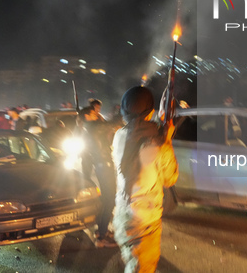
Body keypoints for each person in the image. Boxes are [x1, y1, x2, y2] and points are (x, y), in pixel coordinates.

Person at [112, 86, 179, 273]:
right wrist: (167, 139)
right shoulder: (157, 142)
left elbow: (139, 132)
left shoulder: (119, 135)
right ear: (151, 112)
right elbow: (170, 178)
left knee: (133, 266)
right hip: (144, 221)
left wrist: (161, 131)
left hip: (123, 215)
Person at [76, 106, 117, 247]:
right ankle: (102, 236)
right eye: (94, 113)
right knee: (110, 199)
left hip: (102, 166)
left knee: (106, 199)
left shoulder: (88, 127)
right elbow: (113, 123)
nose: (97, 114)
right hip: (104, 166)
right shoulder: (93, 127)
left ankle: (101, 231)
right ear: (87, 116)